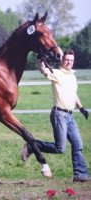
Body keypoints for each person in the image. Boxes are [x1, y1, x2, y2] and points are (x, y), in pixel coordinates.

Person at [21, 49, 90, 182]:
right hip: (59, 115)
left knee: (78, 144)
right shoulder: (57, 73)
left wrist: (81, 108)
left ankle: (81, 175)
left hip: (70, 116)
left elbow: (73, 94)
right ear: (62, 60)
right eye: (66, 60)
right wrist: (40, 60)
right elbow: (43, 70)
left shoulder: (73, 76)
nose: (69, 62)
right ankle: (33, 145)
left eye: (71, 60)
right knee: (60, 148)